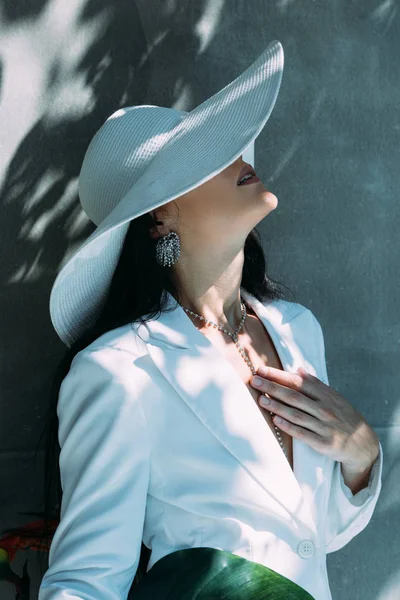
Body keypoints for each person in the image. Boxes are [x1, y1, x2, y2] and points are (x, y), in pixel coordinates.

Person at [38, 41, 383, 600]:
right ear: (159, 215)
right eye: (209, 156)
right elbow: (84, 582)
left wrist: (362, 457)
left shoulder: (298, 330)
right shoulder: (119, 371)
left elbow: (314, 538)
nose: (242, 157)